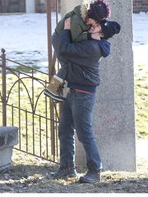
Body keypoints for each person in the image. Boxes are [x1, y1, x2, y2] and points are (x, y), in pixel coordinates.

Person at [51, 17, 121, 183]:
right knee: (65, 130)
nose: (91, 26)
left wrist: (66, 30)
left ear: (102, 33)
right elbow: (64, 50)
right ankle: (67, 167)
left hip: (83, 94)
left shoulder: (92, 48)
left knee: (84, 134)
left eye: (96, 26)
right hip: (73, 90)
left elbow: (64, 48)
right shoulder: (89, 41)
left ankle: (95, 170)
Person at [44, 0, 111, 102]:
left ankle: (60, 92)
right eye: (96, 22)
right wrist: (89, 37)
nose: (95, 25)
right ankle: (52, 90)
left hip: (67, 38)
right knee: (68, 64)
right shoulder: (76, 20)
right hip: (60, 39)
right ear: (90, 17)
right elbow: (75, 39)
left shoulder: (87, 18)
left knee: (71, 65)